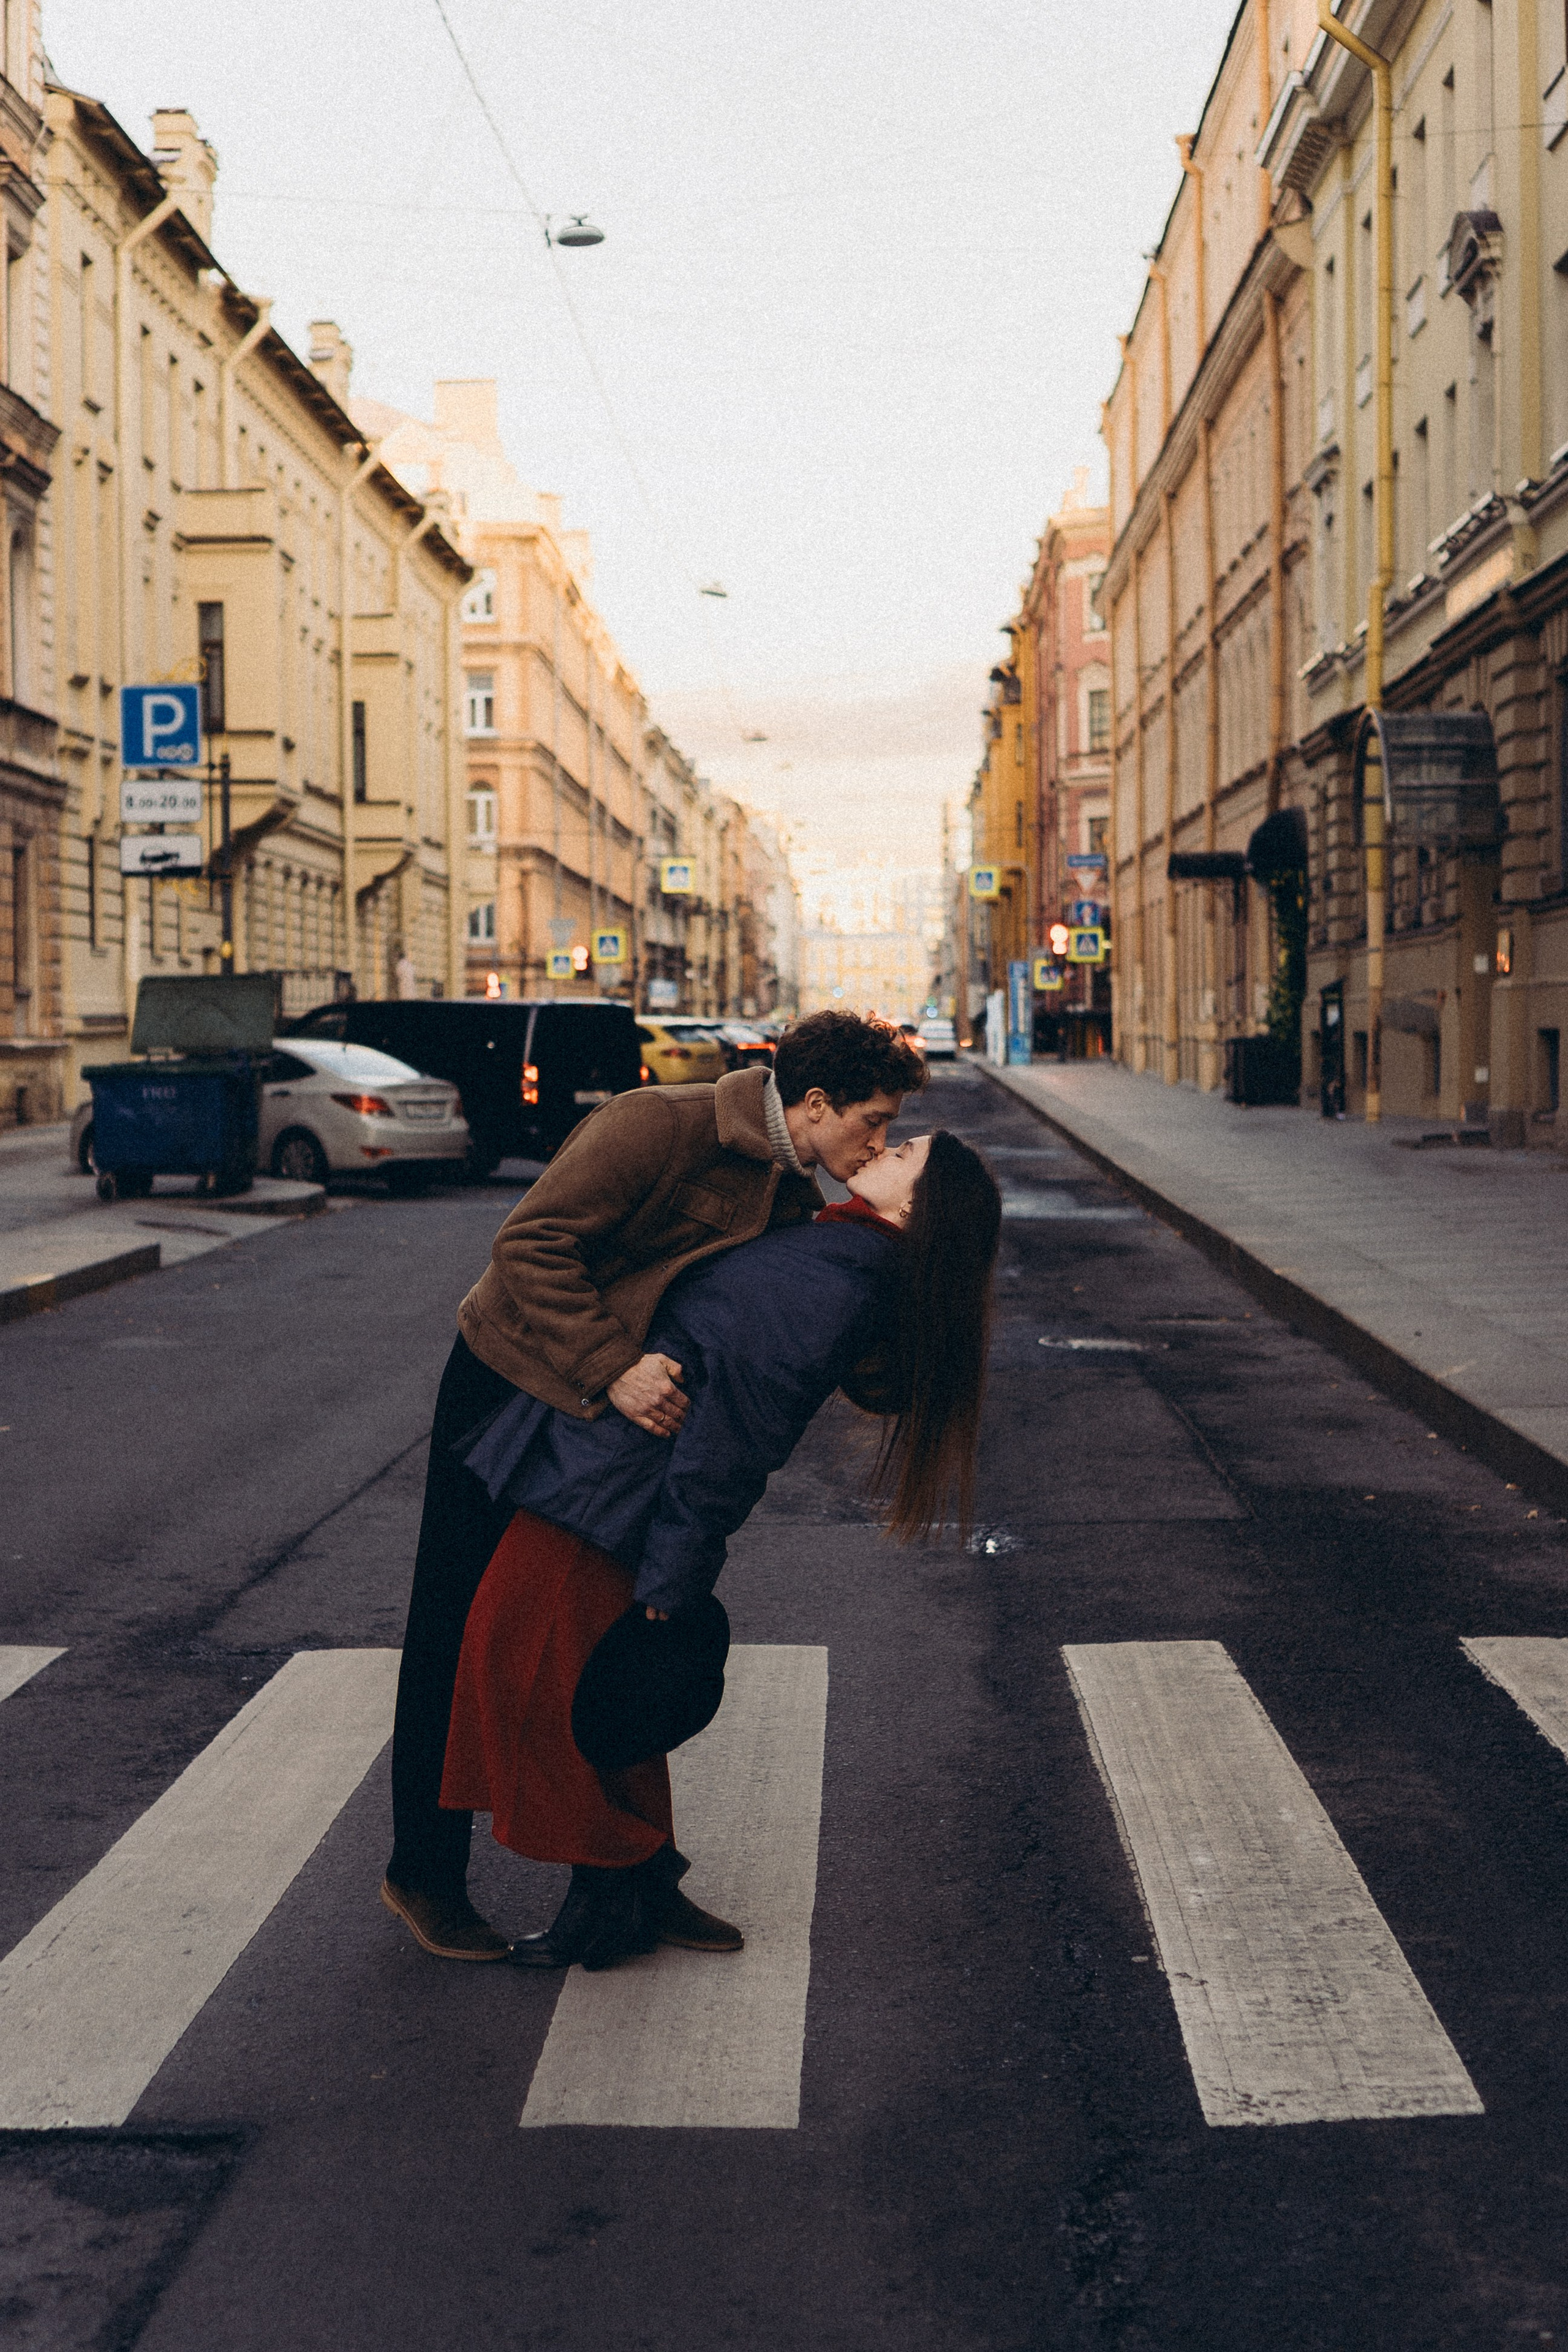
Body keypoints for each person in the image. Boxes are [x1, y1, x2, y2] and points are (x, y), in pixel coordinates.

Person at [382, 1009, 926, 1962]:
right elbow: (529, 1247)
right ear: (812, 1103)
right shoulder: (658, 1125)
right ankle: (424, 1876)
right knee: (456, 1626)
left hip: (609, 1429)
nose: (877, 1142)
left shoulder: (797, 1192)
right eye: (871, 1121)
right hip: (511, 1381)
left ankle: (638, 1874)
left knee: (609, 1641)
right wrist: (613, 1366)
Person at [440, 1128, 1003, 1972]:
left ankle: (611, 1884)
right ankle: (649, 1874)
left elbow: (732, 1439)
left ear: (917, 1205)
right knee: (588, 1686)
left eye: (907, 1148)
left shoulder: (837, 1282)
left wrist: (674, 1575)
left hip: (613, 1494)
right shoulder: (842, 1248)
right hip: (610, 1479)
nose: (886, 1144)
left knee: (522, 1678)